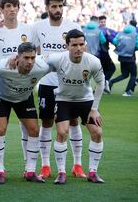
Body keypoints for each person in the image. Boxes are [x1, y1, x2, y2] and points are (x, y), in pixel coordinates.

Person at [31, 0, 85, 179]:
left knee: (73, 121)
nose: (57, 9)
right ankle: (45, 166)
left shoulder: (73, 26)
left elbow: (80, 52)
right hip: (47, 83)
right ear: (47, 8)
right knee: (46, 122)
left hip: (69, 83)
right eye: (53, 6)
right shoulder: (37, 27)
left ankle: (77, 164)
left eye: (60, 6)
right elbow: (29, 48)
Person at [44, 29, 105, 184]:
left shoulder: (93, 61)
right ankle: (61, 172)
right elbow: (40, 62)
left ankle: (93, 172)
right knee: (62, 132)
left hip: (85, 101)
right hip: (63, 100)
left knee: (97, 132)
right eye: (74, 45)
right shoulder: (57, 59)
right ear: (67, 46)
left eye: (81, 44)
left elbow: (101, 83)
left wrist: (94, 109)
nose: (78, 48)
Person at [0, 0, 33, 176]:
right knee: (0, 129)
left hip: (23, 88)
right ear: (2, 9)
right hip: (1, 88)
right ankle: (0, 170)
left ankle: (29, 169)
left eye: (15, 6)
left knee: (31, 128)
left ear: (19, 8)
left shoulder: (29, 29)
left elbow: (35, 54)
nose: (12, 9)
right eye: (8, 6)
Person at [0, 42, 48, 184]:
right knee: (0, 129)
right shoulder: (2, 66)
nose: (30, 62)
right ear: (18, 57)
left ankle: (30, 171)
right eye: (26, 58)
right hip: (2, 97)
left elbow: (59, 58)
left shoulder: (42, 66)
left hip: (24, 98)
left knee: (35, 130)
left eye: (33, 58)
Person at [109, 24, 138, 96]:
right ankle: (127, 91)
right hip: (130, 58)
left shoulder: (121, 34)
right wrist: (133, 49)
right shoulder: (135, 35)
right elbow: (137, 45)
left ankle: (112, 81)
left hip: (121, 57)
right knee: (133, 75)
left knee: (125, 74)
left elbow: (115, 41)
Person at [98, 15, 117, 93]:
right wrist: (109, 35)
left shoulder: (96, 30)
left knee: (104, 71)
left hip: (98, 54)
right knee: (112, 68)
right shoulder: (104, 31)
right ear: (98, 22)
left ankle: (102, 88)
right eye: (101, 22)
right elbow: (111, 39)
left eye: (104, 22)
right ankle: (105, 82)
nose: (103, 23)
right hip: (103, 53)